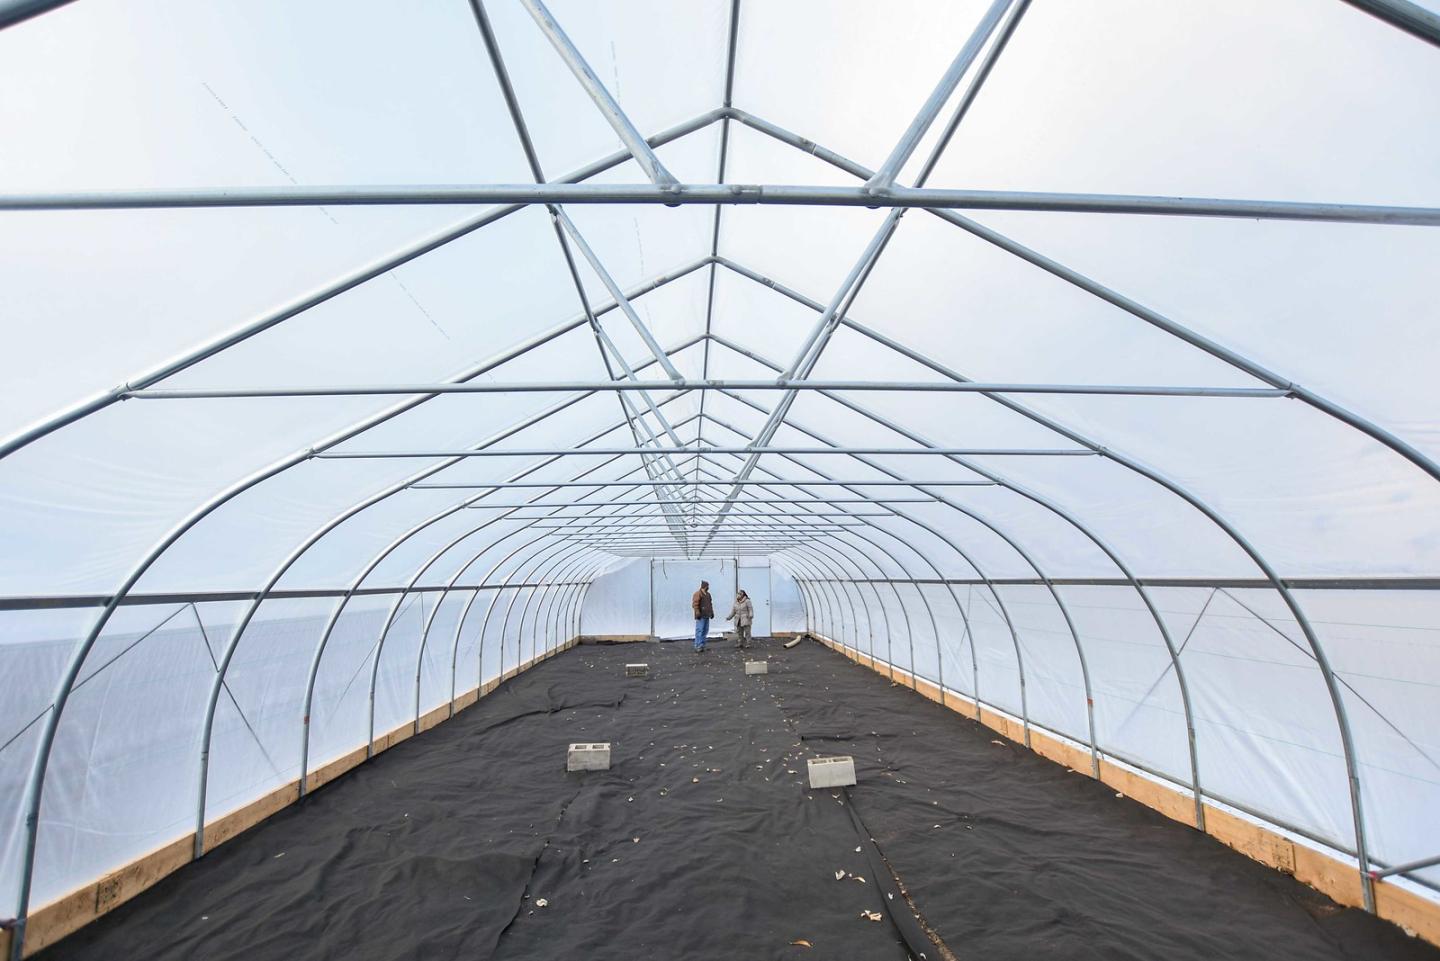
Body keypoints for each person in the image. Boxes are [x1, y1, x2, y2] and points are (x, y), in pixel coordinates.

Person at [691, 580, 714, 652]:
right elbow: (695, 604)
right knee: (699, 630)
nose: (708, 587)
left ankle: (702, 645)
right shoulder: (697, 594)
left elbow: (710, 604)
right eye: (707, 586)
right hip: (700, 616)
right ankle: (697, 645)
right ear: (704, 586)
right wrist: (697, 612)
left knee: (705, 630)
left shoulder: (708, 594)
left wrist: (712, 612)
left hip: (707, 615)